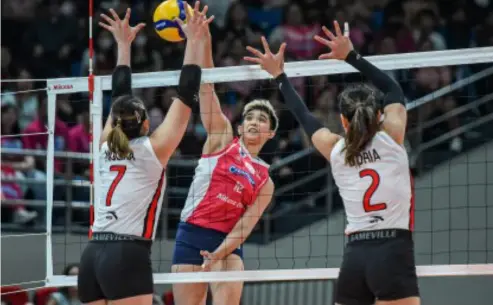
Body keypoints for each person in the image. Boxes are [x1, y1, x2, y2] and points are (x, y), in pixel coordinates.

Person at [245, 21, 419, 305]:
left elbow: (305, 116)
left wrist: (280, 77)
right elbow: (393, 89)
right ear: (379, 117)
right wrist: (352, 56)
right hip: (392, 249)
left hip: (355, 255)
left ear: (342, 120)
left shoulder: (336, 150)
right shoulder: (393, 135)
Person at [77, 7, 211, 305]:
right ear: (147, 123)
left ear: (115, 121)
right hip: (127, 254)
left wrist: (123, 46)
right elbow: (187, 92)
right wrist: (193, 39)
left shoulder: (103, 147)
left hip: (92, 256)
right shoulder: (153, 150)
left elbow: (119, 97)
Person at [171, 3, 276, 305]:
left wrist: (221, 252)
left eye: (264, 121)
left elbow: (245, 225)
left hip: (228, 244)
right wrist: (203, 40)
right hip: (192, 234)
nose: (256, 122)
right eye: (251, 118)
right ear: (241, 127)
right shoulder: (221, 139)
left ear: (270, 134)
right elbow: (207, 89)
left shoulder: (265, 179)